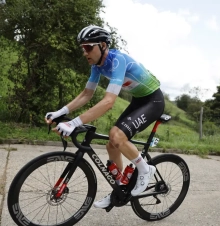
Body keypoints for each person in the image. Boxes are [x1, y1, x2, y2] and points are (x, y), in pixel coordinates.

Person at [45, 25, 165, 209]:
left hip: (153, 101)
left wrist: (74, 122)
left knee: (117, 135)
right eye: (82, 48)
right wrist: (61, 113)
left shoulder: (117, 61)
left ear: (102, 45)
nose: (85, 52)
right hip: (138, 100)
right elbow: (87, 94)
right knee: (112, 143)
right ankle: (119, 189)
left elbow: (109, 102)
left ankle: (145, 169)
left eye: (88, 47)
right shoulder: (97, 66)